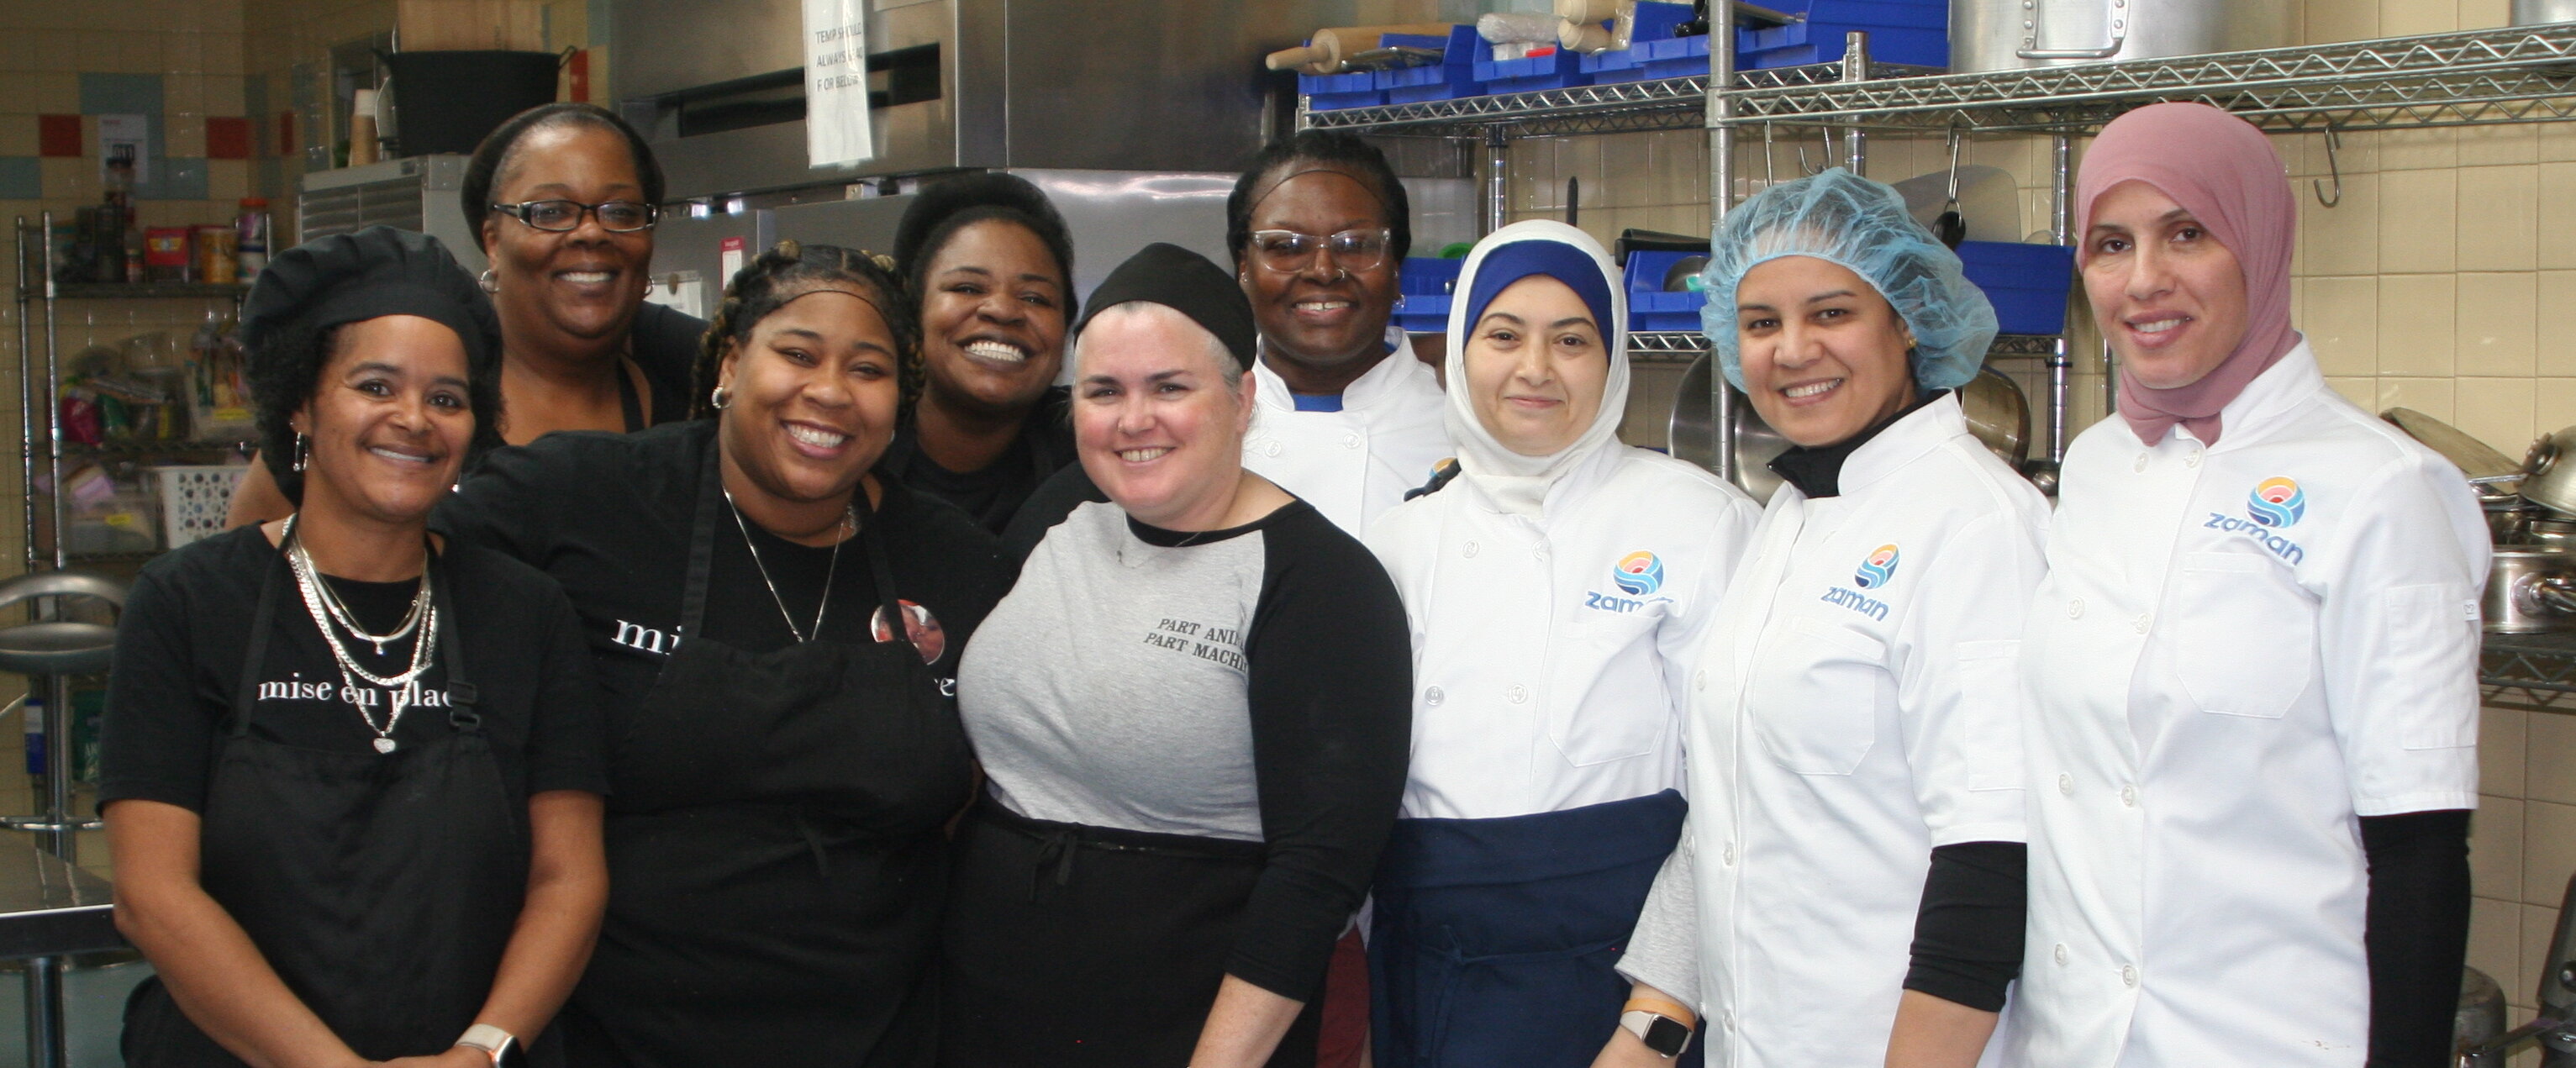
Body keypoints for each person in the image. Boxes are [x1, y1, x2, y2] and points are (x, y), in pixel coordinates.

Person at [434, 239, 1013, 1067]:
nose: (829, 392)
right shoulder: (584, 496)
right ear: (730, 364)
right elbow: (382, 545)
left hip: (883, 1038)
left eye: (868, 369)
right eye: (797, 353)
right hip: (619, 1037)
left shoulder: (961, 562)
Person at [2010, 103, 2482, 1068]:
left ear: (2258, 243)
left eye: (2186, 233)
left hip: (2271, 1037)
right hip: (2070, 1034)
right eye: (2109, 243)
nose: (2143, 280)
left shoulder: (2380, 489)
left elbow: (2420, 853)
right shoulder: (2093, 467)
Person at [101, 226, 608, 1068]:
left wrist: (481, 1050)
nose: (413, 419)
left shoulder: (527, 612)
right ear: (300, 402)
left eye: (448, 398)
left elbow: (569, 878)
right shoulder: (187, 601)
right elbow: (152, 895)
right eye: (375, 385)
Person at [1598, 168, 2049, 1068]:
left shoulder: (1976, 527)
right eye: (1760, 323)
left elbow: (1992, 861)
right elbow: (1728, 817)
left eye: (1831, 313)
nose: (1791, 349)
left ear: (1909, 318)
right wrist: (1638, 1041)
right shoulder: (1795, 511)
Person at [941, 243, 1412, 1068]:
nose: (1133, 420)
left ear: (1242, 398)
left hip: (1185, 1027)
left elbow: (1316, 877)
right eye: (1102, 392)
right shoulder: (1058, 513)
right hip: (985, 1013)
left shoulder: (1321, 583)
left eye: (1168, 387)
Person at [1362, 219, 1759, 1067]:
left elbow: (1738, 791)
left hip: (1626, 981)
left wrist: (1657, 1013)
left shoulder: (1701, 522)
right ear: (1459, 353)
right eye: (1502, 335)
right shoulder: (1398, 542)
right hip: (1429, 974)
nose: (1534, 368)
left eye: (1571, 339)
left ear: (1612, 360)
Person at [228, 102, 706, 526]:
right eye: (551, 211)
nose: (590, 233)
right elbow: (243, 576)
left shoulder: (689, 387)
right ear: (493, 241)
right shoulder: (412, 383)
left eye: (620, 212)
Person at [1230, 130, 1451, 536]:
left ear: (1397, 267)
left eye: (1355, 244)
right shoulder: (1202, 420)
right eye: (1286, 246)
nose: (1324, 270)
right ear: (1244, 266)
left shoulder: (1465, 416)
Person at [882, 172, 1080, 533]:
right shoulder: (855, 447)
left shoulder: (1098, 458)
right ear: (913, 314)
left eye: (1035, 298)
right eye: (968, 288)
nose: (1003, 310)